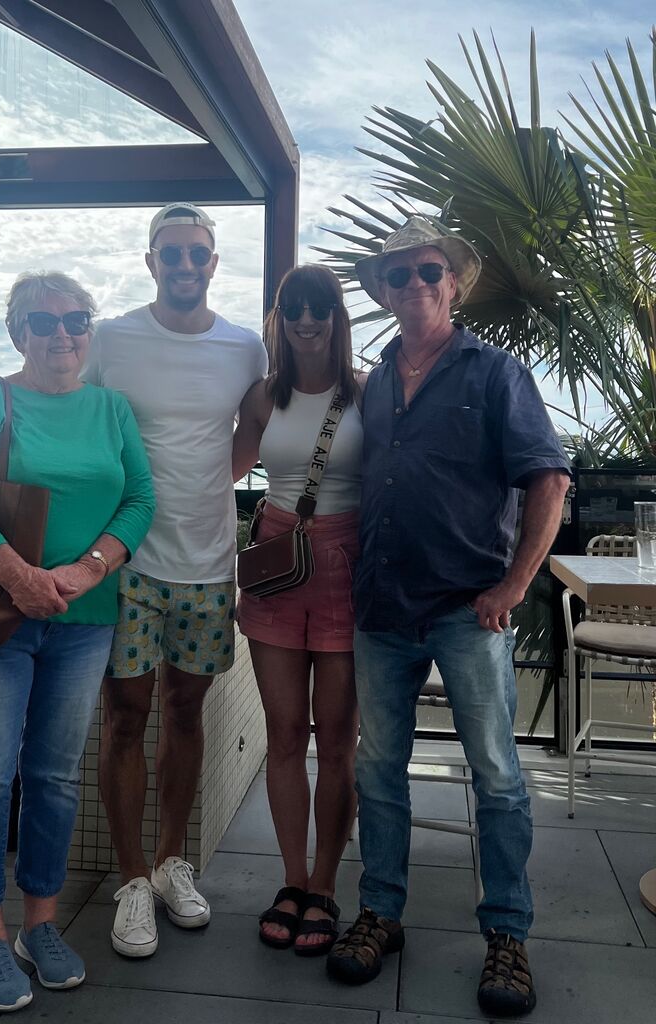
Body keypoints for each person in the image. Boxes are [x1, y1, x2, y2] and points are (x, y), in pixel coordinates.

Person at [325, 217, 571, 1018]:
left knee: (497, 777)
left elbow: (549, 482)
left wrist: (512, 587)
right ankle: (381, 913)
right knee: (379, 771)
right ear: (384, 291)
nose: (414, 286)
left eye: (429, 271)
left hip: (470, 611)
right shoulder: (374, 383)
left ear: (453, 282)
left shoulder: (496, 373)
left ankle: (507, 931)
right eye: (398, 276)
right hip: (382, 605)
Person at [0, 272, 156, 1012]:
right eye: (44, 320)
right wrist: (19, 574)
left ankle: (40, 924)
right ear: (17, 332)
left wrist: (88, 567)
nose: (62, 333)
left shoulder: (111, 407)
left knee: (56, 776)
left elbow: (138, 499)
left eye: (76, 319)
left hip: (85, 621)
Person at [81, 203, 267, 958]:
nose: (185, 266)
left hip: (208, 565)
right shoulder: (113, 339)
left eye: (198, 254)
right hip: (128, 563)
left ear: (214, 263)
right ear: (151, 260)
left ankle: (169, 864)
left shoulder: (244, 347)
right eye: (172, 254)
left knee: (185, 712)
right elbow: (79, 414)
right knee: (126, 717)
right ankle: (131, 882)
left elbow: (250, 435)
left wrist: (203, 489)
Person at [233, 265, 365, 956]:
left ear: (339, 316)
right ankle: (290, 880)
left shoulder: (369, 391)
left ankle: (324, 883)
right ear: (279, 318)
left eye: (320, 307)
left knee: (337, 741)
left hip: (347, 567)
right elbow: (217, 469)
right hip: (278, 564)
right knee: (285, 734)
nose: (307, 320)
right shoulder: (263, 395)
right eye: (294, 308)